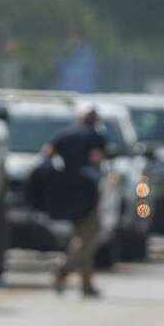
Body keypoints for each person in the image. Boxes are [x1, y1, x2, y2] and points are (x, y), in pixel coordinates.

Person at [49, 106, 107, 298]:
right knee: (90, 237)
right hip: (87, 193)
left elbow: (49, 156)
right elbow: (97, 159)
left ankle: (87, 285)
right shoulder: (94, 137)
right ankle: (64, 269)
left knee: (82, 238)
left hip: (66, 193)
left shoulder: (64, 135)